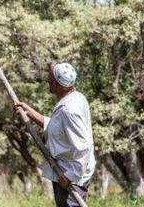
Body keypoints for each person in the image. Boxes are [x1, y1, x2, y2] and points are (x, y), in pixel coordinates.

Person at [14, 62, 96, 207]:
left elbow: (83, 147)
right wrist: (30, 113)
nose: (48, 81)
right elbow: (58, 128)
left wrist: (70, 176)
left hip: (71, 176)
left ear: (59, 85)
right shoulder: (75, 97)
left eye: (51, 79)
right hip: (66, 172)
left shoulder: (69, 110)